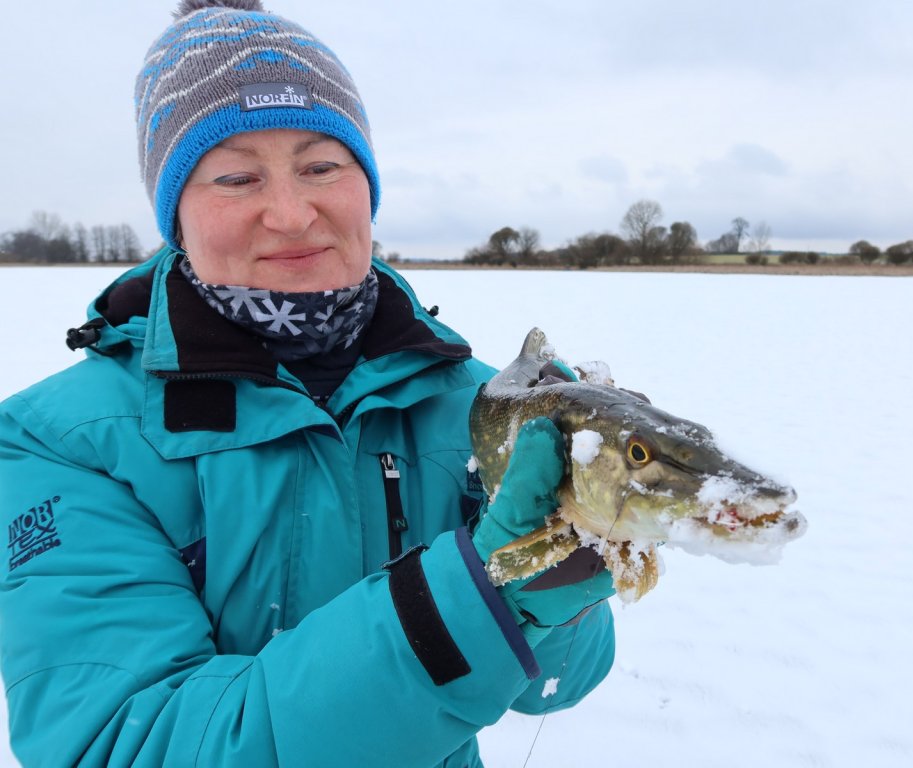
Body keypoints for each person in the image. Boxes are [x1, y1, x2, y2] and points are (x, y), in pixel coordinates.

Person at [0, 1, 616, 766]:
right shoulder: (58, 444)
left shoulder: (477, 406)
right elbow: (127, 742)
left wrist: (570, 536)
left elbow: (556, 685)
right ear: (175, 215)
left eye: (322, 165)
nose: (291, 214)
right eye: (235, 176)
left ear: (367, 185)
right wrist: (482, 593)